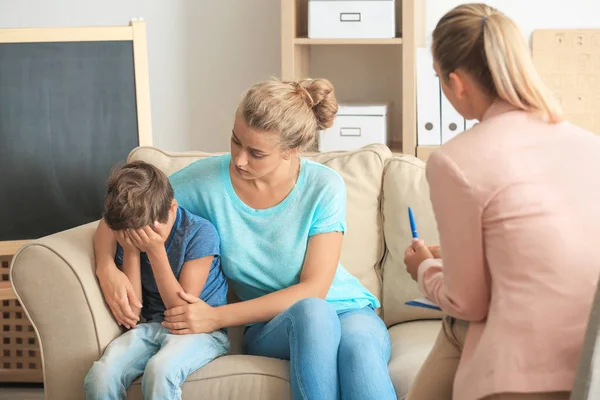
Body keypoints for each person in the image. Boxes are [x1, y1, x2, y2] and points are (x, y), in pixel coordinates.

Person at [92, 78, 397, 400]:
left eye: (256, 153)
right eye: (236, 142)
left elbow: (315, 289)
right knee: (312, 313)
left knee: (359, 349)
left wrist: (215, 316)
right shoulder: (204, 181)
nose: (239, 160)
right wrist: (105, 267)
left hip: (349, 310)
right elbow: (125, 212)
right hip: (273, 325)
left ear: (290, 151)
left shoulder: (324, 186)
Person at [403, 3, 600, 400]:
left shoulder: (455, 160)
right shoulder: (590, 145)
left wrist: (424, 267)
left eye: (439, 79)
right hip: (590, 364)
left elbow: (468, 302)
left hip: (521, 377)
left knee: (457, 325)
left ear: (457, 83)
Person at [85, 161, 229, 399]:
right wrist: (130, 251)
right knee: (101, 375)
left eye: (146, 231)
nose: (141, 238)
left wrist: (155, 250)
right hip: (152, 327)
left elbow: (182, 309)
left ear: (172, 208)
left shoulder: (199, 233)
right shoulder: (131, 226)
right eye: (132, 234)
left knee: (160, 370)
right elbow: (132, 310)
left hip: (200, 330)